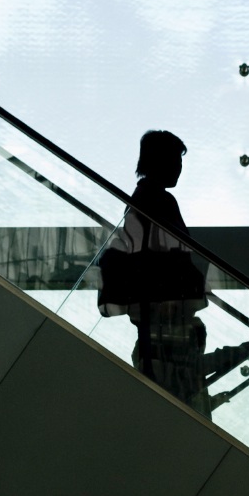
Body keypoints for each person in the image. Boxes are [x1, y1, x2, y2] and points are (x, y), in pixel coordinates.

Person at [98, 131, 209, 407]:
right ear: (161, 161)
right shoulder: (158, 201)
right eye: (176, 160)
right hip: (162, 319)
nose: (179, 168)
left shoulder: (142, 199)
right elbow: (169, 255)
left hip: (153, 321)